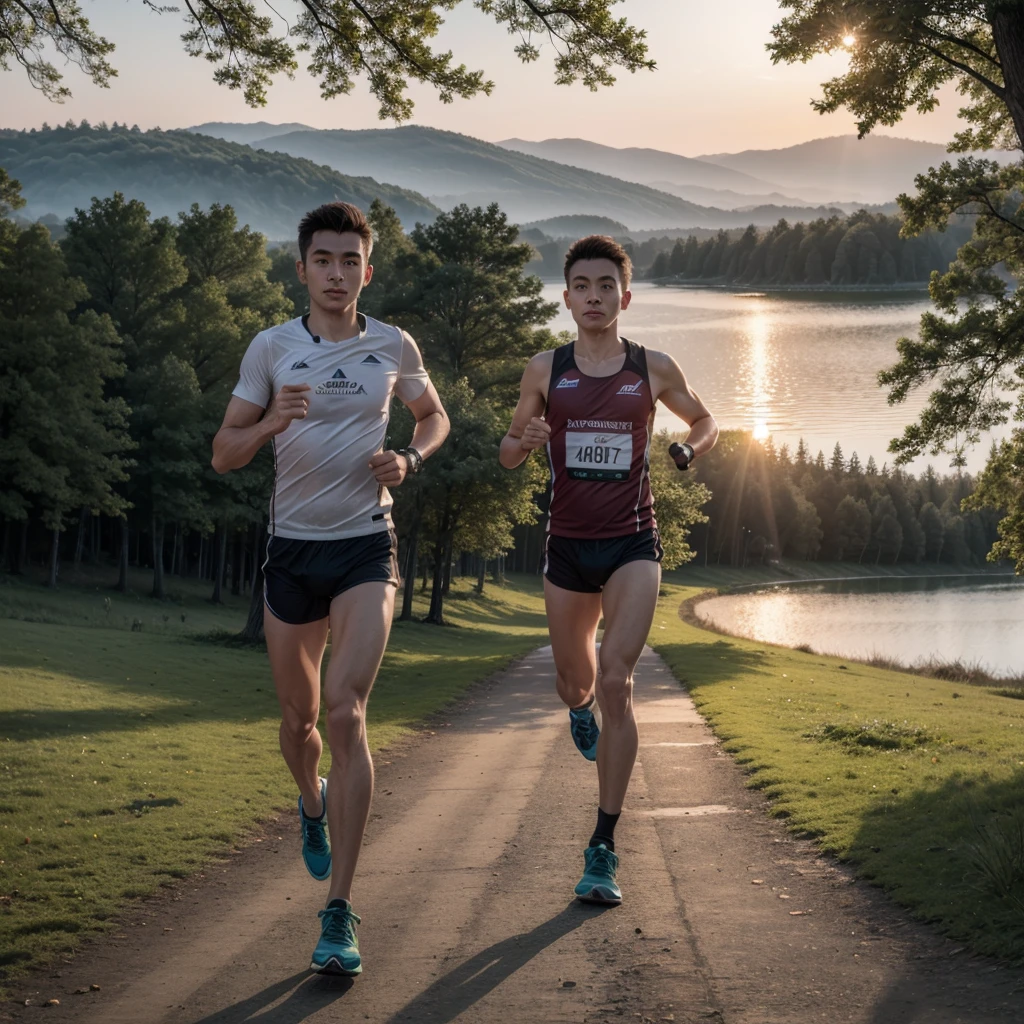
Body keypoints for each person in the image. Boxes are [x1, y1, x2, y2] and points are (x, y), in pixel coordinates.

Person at [211, 201, 449, 975]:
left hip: (363, 548)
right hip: (291, 553)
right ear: (303, 267)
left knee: (347, 713)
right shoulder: (271, 348)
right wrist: (271, 422)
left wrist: (409, 460)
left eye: (351, 261)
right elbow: (224, 455)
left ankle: (340, 910)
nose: (338, 274)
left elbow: (434, 415)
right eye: (324, 260)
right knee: (300, 719)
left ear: (366, 270)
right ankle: (310, 804)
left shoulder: (393, 344)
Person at [499, 235, 718, 905]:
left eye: (605, 286)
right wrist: (524, 440)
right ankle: (579, 708)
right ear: (566, 298)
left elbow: (706, 419)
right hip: (566, 547)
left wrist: (687, 445)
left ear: (624, 297)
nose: (593, 296)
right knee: (576, 683)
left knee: (618, 680)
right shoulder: (544, 369)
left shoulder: (653, 368)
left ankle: (603, 845)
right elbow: (509, 451)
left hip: (632, 544)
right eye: (581, 286)